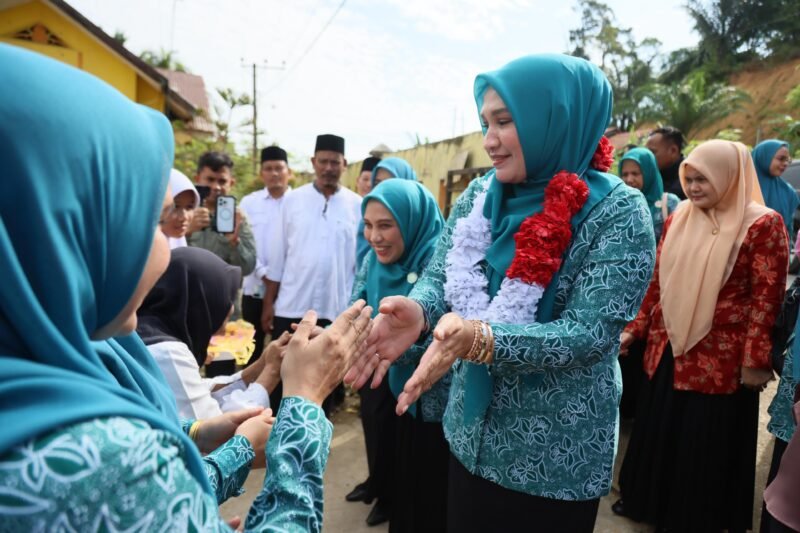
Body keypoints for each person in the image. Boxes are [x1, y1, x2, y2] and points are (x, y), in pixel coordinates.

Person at [0, 43, 373, 531]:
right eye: (153, 223)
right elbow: (139, 483)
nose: (167, 250)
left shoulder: (56, 381)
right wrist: (302, 402)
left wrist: (199, 440)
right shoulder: (97, 460)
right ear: (61, 237)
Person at [346, 54, 656, 532]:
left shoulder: (618, 212)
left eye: (504, 122)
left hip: (552, 457)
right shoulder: (479, 195)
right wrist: (420, 309)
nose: (489, 140)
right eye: (485, 123)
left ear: (553, 120)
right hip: (468, 436)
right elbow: (442, 274)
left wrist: (482, 340)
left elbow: (590, 334)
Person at [614, 140, 788, 531]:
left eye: (702, 179)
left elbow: (766, 298)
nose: (692, 188)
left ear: (729, 176)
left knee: (703, 438)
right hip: (669, 345)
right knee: (661, 429)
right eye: (688, 179)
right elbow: (657, 281)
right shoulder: (679, 217)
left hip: (719, 357)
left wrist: (754, 361)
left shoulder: (762, 224)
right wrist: (634, 329)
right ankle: (649, 504)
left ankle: (690, 518)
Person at [347, 179, 446, 530]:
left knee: (427, 490)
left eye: (386, 225)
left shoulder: (441, 263)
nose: (374, 237)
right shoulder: (372, 260)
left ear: (411, 221)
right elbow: (357, 302)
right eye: (368, 225)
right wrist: (345, 334)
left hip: (435, 404)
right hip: (388, 380)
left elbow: (443, 337)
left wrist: (384, 346)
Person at [263, 133, 362, 414]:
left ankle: (315, 435)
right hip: (292, 306)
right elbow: (277, 259)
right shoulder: (292, 201)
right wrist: (269, 304)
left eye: (335, 162)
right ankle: (273, 433)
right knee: (281, 379)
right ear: (313, 162)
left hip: (335, 310)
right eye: (323, 161)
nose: (329, 168)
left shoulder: (357, 205)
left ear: (344, 164)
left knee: (323, 385)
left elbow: (359, 266)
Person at [137, 246, 285, 419]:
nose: (231, 308)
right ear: (201, 300)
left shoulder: (150, 332)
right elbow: (212, 425)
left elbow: (200, 389)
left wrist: (262, 365)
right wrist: (272, 372)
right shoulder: (168, 353)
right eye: (224, 296)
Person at [617, 147, 681, 419]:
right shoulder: (618, 202)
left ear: (650, 172)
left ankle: (638, 408)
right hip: (624, 288)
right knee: (624, 346)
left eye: (636, 173)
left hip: (656, 288)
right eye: (625, 174)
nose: (630, 179)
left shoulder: (670, 203)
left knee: (646, 347)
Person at [240, 146, 292, 363]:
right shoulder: (249, 203)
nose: (274, 173)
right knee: (251, 350)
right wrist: (264, 274)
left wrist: (277, 279)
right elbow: (242, 243)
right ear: (261, 173)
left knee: (285, 351)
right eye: (268, 169)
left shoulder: (298, 203)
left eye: (279, 168)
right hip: (254, 287)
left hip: (288, 291)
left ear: (289, 172)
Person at [187, 151, 257, 277]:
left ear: (231, 183)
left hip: (221, 288)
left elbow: (248, 268)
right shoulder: (183, 212)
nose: (216, 187)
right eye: (210, 179)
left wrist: (235, 243)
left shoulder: (238, 218)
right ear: (197, 179)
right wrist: (186, 232)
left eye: (222, 181)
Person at [753, 139, 797, 246]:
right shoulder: (744, 188)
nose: (785, 164)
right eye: (781, 159)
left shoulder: (788, 191)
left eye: (787, 160)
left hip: (776, 250)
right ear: (764, 157)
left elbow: (788, 230)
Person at [160, 168, 199, 249]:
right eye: (175, 206)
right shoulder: (143, 247)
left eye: (189, 207)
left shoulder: (179, 243)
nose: (184, 217)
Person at [646, 126, 686, 200]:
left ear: (673, 151)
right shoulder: (647, 176)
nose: (647, 157)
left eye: (652, 152)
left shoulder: (690, 179)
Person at [356, 156, 381, 266]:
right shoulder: (350, 204)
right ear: (357, 181)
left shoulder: (386, 213)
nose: (369, 184)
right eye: (365, 179)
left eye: (374, 181)